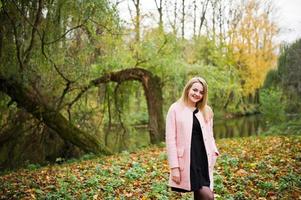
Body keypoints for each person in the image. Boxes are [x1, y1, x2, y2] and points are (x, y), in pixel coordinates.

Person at [165, 77, 219, 200]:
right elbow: (170, 140)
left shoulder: (206, 110)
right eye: (195, 90)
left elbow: (210, 136)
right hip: (187, 161)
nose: (197, 94)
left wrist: (214, 152)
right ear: (188, 89)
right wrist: (174, 168)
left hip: (203, 159)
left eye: (201, 92)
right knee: (208, 197)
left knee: (201, 195)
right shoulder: (175, 109)